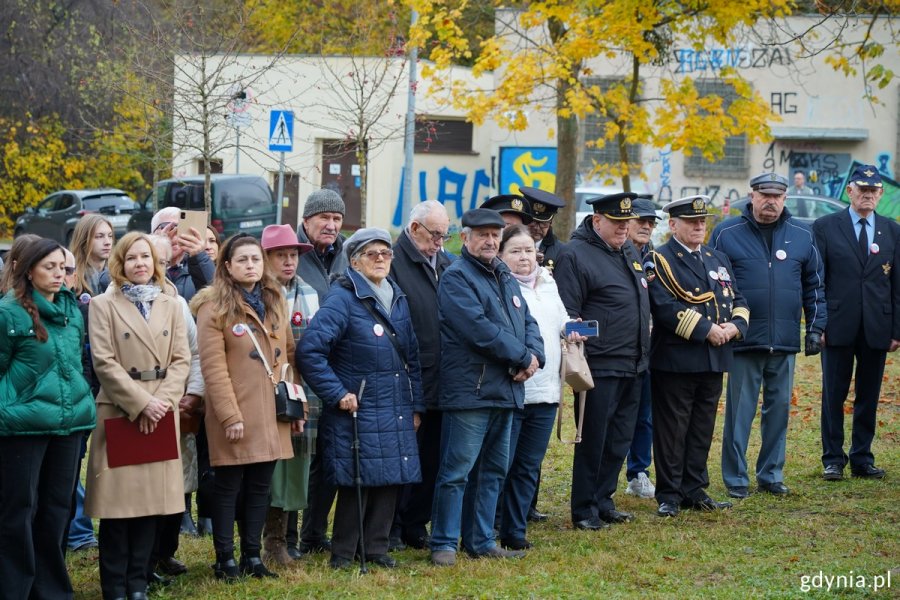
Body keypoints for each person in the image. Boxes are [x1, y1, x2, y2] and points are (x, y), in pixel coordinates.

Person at [299, 227, 424, 570]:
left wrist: (417, 406)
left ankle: (376, 548)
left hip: (396, 404)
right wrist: (337, 393)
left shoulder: (396, 295)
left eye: (386, 253)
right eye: (372, 254)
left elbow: (412, 356)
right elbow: (310, 351)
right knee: (360, 477)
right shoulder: (342, 298)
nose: (381, 259)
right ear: (354, 262)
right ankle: (343, 552)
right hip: (360, 406)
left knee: (390, 477)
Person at [430, 208, 544, 567]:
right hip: (471, 392)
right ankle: (444, 542)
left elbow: (528, 321)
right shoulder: (456, 278)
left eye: (496, 234)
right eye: (482, 234)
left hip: (507, 391)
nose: (491, 241)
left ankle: (480, 540)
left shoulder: (505, 276)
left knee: (494, 471)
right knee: (456, 472)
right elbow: (478, 330)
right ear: (465, 238)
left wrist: (534, 354)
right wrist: (522, 357)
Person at [84, 232, 191, 600]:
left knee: (151, 504)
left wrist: (160, 403)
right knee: (119, 507)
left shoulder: (172, 304)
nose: (140, 264)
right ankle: (115, 586)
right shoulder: (102, 305)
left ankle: (138, 583)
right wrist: (141, 404)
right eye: (131, 258)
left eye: (146, 257)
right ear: (120, 264)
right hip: (120, 410)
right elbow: (104, 362)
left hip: (162, 409)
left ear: (156, 262)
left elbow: (181, 360)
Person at [711, 173, 827, 499]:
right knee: (739, 414)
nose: (770, 201)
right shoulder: (726, 233)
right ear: (752, 195)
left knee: (778, 412)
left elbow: (814, 286)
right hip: (744, 339)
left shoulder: (803, 234)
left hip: (785, 339)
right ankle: (736, 479)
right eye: (765, 195)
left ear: (786, 198)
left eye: (777, 196)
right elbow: (713, 285)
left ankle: (771, 474)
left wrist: (816, 328)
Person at [193, 234, 296, 581]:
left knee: (259, 488)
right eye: (243, 260)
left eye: (255, 259)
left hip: (272, 413)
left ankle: (252, 556)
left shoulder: (275, 299)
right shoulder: (214, 308)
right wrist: (229, 415)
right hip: (236, 414)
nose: (251, 265)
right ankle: (225, 559)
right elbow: (213, 368)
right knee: (228, 487)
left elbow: (289, 358)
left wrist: (297, 409)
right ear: (227, 266)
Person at [0, 238, 96, 599]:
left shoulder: (72, 312)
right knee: (19, 511)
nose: (60, 274)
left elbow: (74, 365)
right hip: (22, 428)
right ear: (28, 270)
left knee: (57, 510)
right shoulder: (8, 313)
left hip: (69, 426)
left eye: (64, 267)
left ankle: (51, 590)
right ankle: (15, 589)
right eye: (50, 267)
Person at [646, 196, 750, 518]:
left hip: (714, 357)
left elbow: (737, 296)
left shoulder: (716, 258)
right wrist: (707, 329)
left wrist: (735, 326)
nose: (699, 226)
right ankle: (670, 494)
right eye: (692, 222)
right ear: (673, 225)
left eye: (702, 221)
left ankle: (694, 488)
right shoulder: (659, 259)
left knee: (702, 426)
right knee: (672, 429)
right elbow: (663, 306)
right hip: (678, 358)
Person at [554, 192, 651, 530]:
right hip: (599, 364)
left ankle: (603, 500)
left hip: (633, 362)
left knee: (619, 438)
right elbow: (567, 313)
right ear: (597, 221)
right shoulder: (574, 255)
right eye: (617, 223)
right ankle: (583, 509)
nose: (624, 229)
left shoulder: (627, 251)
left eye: (627, 223)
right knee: (594, 439)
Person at [812, 164, 900, 481]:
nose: (867, 195)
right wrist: (817, 324)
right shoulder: (825, 227)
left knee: (869, 395)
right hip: (837, 324)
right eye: (861, 189)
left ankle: (862, 457)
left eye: (873, 190)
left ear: (881, 194)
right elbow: (816, 280)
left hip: (877, 326)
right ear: (849, 191)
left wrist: (897, 330)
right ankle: (833, 458)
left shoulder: (892, 230)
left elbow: (897, 285)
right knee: (833, 395)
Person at [497, 225, 577, 550]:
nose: (524, 257)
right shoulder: (498, 285)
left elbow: (560, 317)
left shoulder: (548, 281)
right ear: (501, 255)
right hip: (513, 390)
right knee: (502, 464)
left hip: (546, 391)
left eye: (528, 250)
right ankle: (490, 526)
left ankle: (515, 530)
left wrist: (572, 327)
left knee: (529, 466)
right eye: (515, 251)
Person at [389, 200, 454, 550]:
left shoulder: (446, 263)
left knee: (432, 456)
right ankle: (394, 526)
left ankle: (417, 523)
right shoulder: (394, 263)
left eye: (445, 235)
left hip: (444, 378)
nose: (440, 243)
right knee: (405, 457)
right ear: (415, 229)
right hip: (409, 377)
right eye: (435, 235)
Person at [144, 234, 206, 582]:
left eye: (161, 261)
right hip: (139, 405)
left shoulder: (178, 302)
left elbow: (195, 353)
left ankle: (164, 552)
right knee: (144, 484)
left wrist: (194, 394)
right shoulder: (113, 300)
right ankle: (143, 556)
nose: (153, 267)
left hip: (178, 404)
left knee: (176, 483)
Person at [294, 189, 349, 555]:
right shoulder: (291, 253)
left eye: (337, 219)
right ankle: (284, 536)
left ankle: (313, 534)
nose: (330, 225)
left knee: (329, 455)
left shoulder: (347, 254)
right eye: (323, 218)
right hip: (298, 369)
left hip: (339, 368)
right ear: (307, 220)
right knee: (298, 455)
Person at [259, 224, 316, 565]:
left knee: (295, 465)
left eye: (293, 255)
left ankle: (284, 540)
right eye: (281, 255)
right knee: (266, 467)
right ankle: (263, 542)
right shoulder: (256, 294)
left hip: (298, 390)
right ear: (266, 258)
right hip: (261, 390)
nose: (289, 261)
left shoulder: (309, 292)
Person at [623, 198, 660, 500]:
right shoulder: (616, 254)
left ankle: (638, 471)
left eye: (651, 222)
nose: (647, 226)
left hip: (649, 348)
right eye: (641, 221)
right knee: (618, 414)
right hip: (620, 348)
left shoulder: (654, 258)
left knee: (645, 414)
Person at [151, 207, 214, 302]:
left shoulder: (197, 266)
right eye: (166, 226)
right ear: (152, 233)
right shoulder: (143, 264)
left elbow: (215, 293)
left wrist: (199, 256)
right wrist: (159, 250)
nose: (174, 233)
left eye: (181, 227)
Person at [520, 186, 567, 272]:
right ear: (523, 219)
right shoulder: (508, 245)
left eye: (543, 224)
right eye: (532, 222)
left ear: (551, 223)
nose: (537, 228)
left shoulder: (561, 252)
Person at [70, 214, 115, 297]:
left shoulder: (118, 273)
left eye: (110, 236)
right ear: (84, 239)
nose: (107, 242)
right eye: (99, 236)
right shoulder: (71, 276)